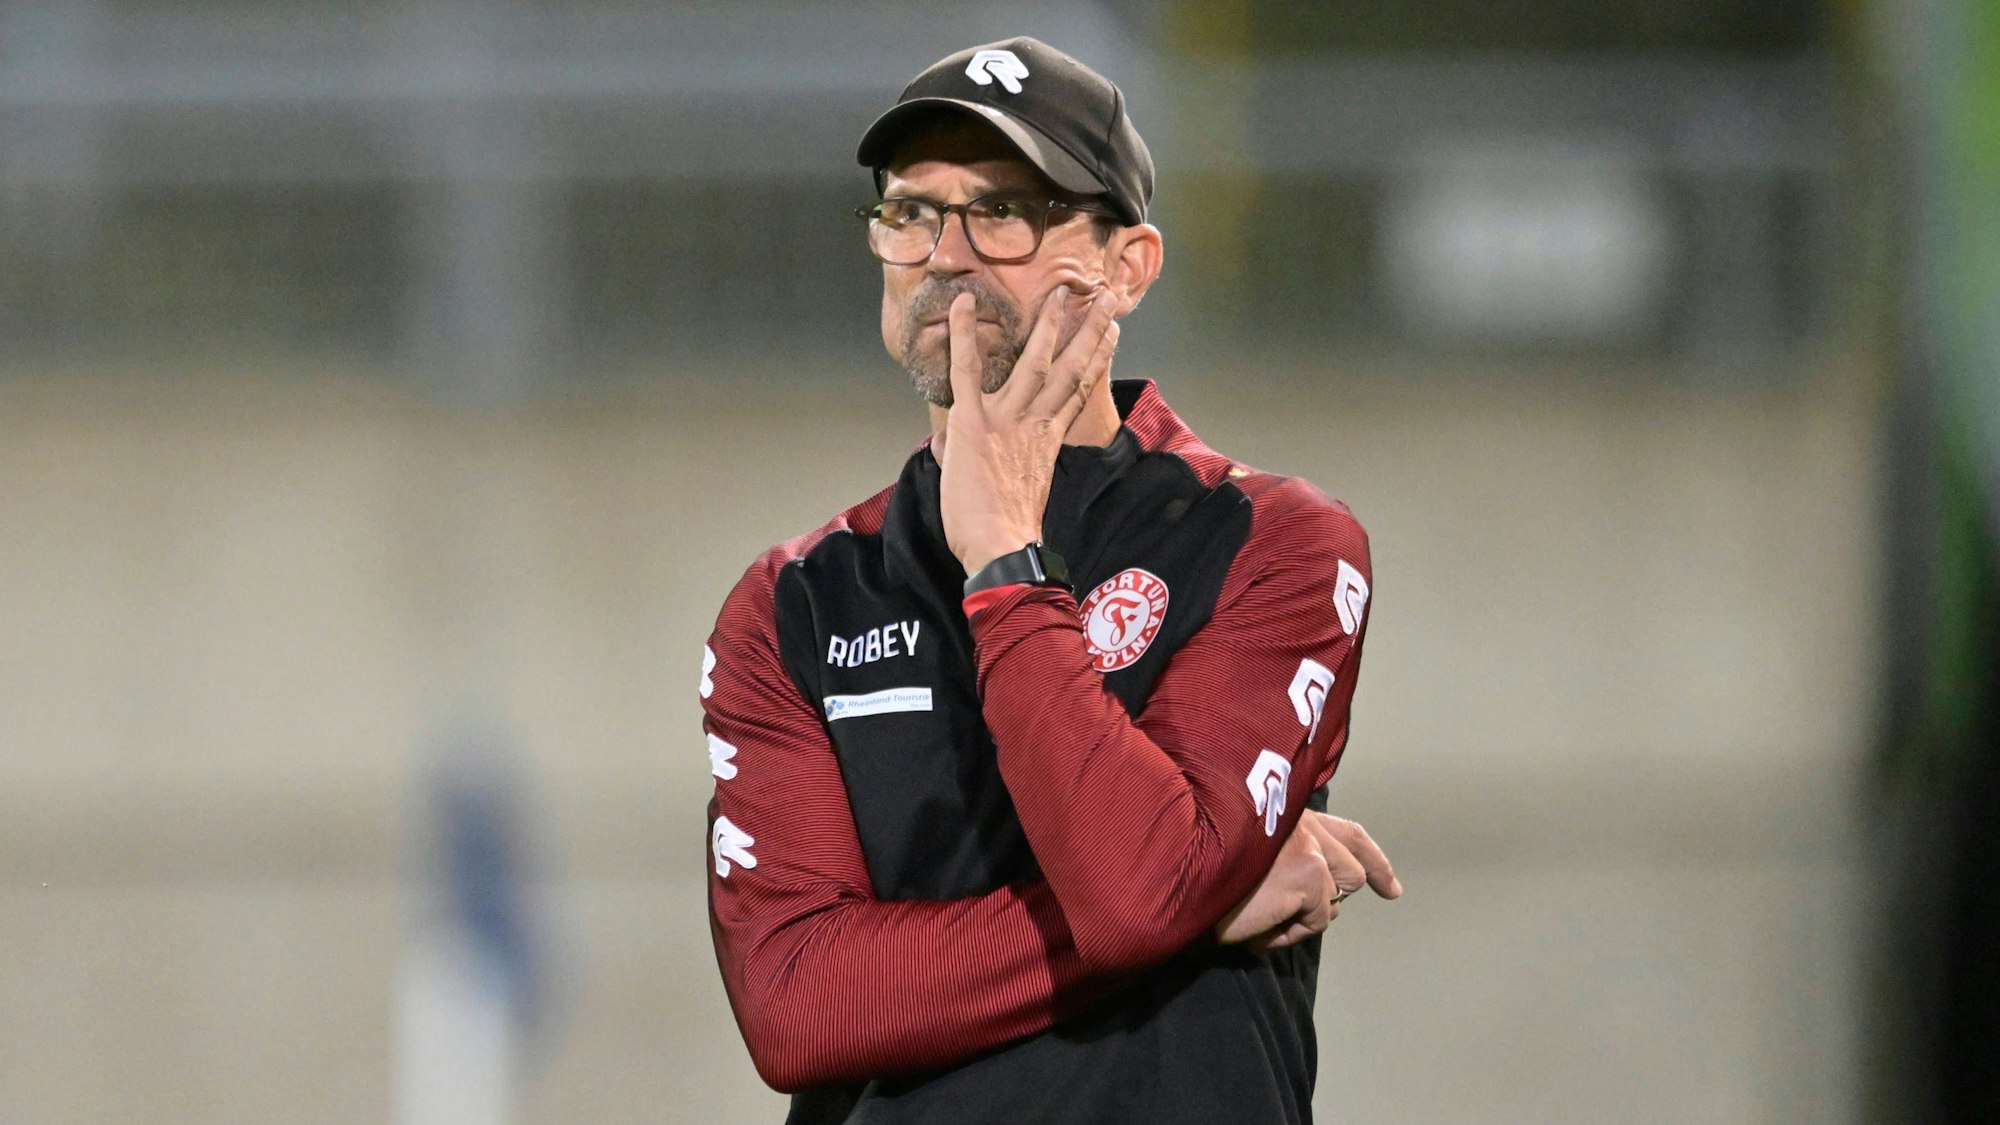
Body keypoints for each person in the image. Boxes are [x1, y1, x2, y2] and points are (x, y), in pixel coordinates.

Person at [700, 36, 1399, 1124]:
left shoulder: (1271, 544)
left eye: (1004, 211)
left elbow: (1133, 896)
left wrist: (1005, 567)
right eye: (910, 212)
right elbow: (797, 1009)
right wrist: (1200, 901)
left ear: (1128, 265)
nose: (944, 254)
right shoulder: (792, 603)